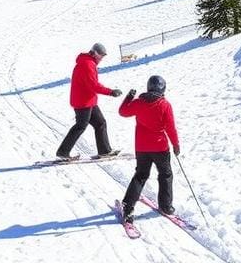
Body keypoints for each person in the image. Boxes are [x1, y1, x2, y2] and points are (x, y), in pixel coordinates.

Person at [119, 75, 181, 222]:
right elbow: (170, 128)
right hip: (160, 147)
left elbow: (123, 112)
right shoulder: (164, 105)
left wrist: (128, 98)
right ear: (162, 89)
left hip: (142, 147)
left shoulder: (139, 102)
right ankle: (166, 206)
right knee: (165, 175)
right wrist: (176, 144)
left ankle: (128, 207)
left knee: (140, 176)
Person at [55, 43, 122, 159]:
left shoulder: (88, 62)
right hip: (83, 102)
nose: (101, 58)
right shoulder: (87, 64)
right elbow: (94, 86)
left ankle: (104, 151)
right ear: (95, 53)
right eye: (101, 55)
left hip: (88, 101)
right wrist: (111, 92)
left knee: (100, 123)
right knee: (80, 126)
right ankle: (62, 153)